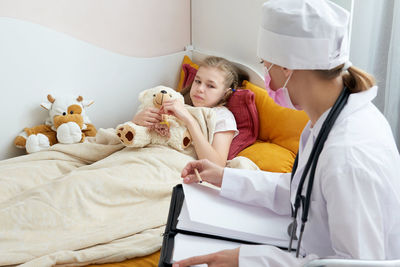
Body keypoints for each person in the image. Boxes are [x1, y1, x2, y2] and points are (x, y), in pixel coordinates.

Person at [173, 0, 400, 266]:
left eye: (265, 65)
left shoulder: (348, 155)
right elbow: (299, 189)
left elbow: (354, 264)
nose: (267, 78)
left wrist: (248, 260)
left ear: (287, 68)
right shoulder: (326, 120)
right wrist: (225, 177)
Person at [132, 56, 239, 166]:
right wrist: (137, 121)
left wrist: (189, 120)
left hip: (172, 163)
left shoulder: (222, 116)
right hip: (146, 154)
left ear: (226, 93)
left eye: (210, 86)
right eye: (197, 81)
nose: (200, 89)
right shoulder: (177, 102)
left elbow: (216, 165)